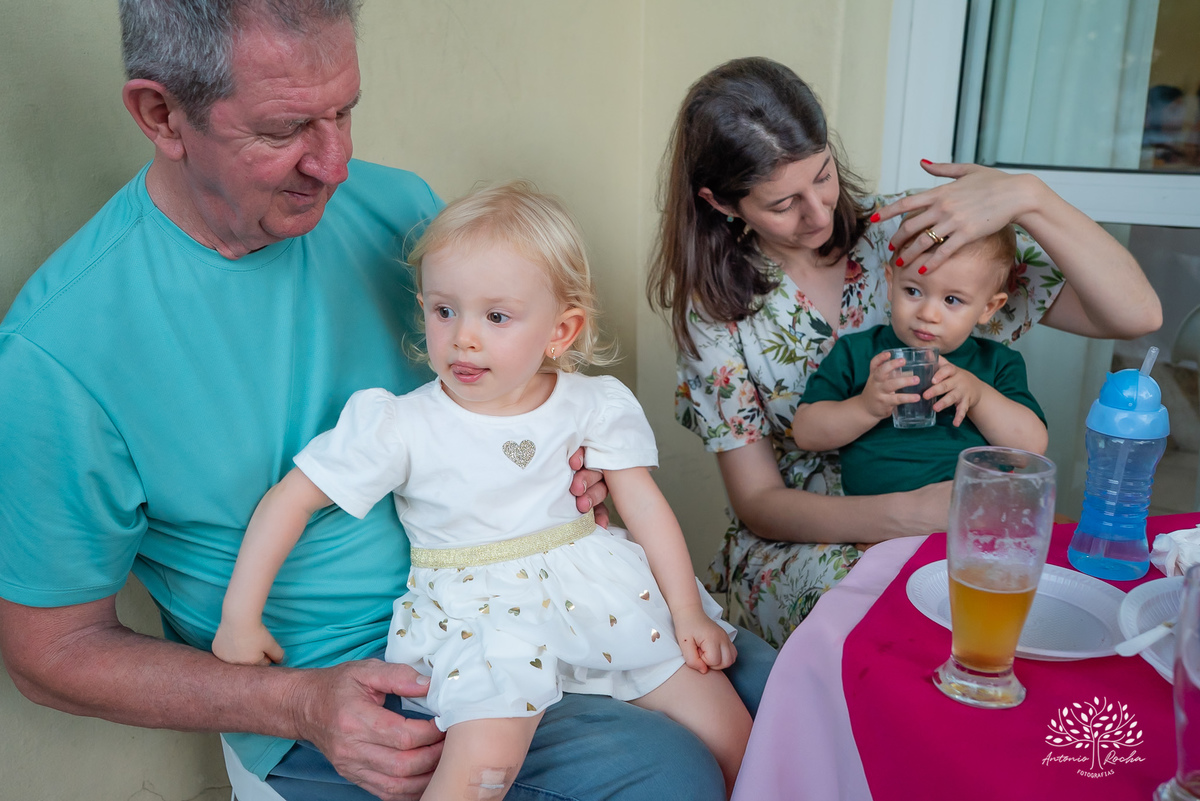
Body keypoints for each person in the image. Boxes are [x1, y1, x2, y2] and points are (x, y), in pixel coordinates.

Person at [0, 5, 774, 801]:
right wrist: (295, 703)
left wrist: (566, 470)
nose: (334, 165)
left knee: (798, 697)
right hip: (366, 678)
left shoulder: (400, 212)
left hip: (556, 595)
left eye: (344, 111)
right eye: (285, 129)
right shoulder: (62, 353)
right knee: (669, 775)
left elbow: (509, 388)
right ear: (161, 115)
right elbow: (50, 651)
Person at [213, 183, 752, 799]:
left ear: (561, 329)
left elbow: (643, 505)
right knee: (480, 773)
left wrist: (684, 611)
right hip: (484, 620)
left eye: (496, 316)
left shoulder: (591, 403)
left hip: (599, 591)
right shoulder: (402, 424)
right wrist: (239, 618)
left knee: (732, 734)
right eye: (444, 311)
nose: (464, 337)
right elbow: (293, 498)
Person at [647, 56, 1162, 647]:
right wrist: (907, 514)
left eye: (822, 176)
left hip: (959, 515)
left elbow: (1137, 314)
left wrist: (1031, 199)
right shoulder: (717, 308)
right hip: (813, 540)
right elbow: (761, 502)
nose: (817, 213)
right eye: (783, 203)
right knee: (894, 627)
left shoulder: (911, 230)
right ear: (721, 203)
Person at [792, 225, 1047, 495]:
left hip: (975, 517)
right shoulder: (857, 352)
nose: (928, 314)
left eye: (951, 299)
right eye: (913, 291)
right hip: (880, 523)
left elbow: (1029, 450)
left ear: (988, 308)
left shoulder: (997, 362)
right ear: (891, 283)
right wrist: (865, 408)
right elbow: (806, 433)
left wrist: (979, 396)